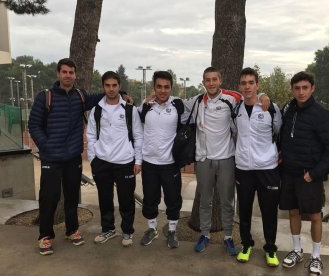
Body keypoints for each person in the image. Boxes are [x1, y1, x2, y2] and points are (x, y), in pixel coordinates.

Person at [28, 58, 105, 255]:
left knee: (72, 197)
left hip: (72, 157)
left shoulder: (80, 96)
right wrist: (46, 146)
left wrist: (121, 93)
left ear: (75, 75)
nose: (68, 76)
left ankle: (72, 230)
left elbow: (99, 97)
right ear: (58, 74)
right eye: (64, 72)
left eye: (71, 72)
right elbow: (34, 125)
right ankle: (45, 236)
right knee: (49, 197)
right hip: (51, 158)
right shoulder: (45, 97)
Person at [279, 71, 329, 276]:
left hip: (309, 175)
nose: (301, 92)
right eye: (297, 88)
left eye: (305, 88)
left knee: (315, 216)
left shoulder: (322, 114)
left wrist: (314, 173)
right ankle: (297, 250)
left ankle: (316, 256)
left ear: (312, 88)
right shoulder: (289, 109)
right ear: (292, 89)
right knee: (293, 212)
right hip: (289, 172)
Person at [184, 67, 242, 255]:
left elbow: (251, 97)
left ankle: (228, 237)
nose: (211, 83)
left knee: (227, 202)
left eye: (214, 79)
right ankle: (205, 234)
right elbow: (174, 102)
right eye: (207, 80)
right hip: (204, 159)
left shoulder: (231, 99)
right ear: (203, 82)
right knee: (205, 201)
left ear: (220, 81)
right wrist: (150, 97)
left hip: (226, 158)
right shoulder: (197, 101)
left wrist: (264, 95)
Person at [86, 71, 143, 247]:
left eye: (114, 85)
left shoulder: (130, 110)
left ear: (119, 86)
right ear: (103, 87)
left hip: (125, 162)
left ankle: (127, 232)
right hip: (101, 162)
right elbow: (90, 135)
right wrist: (93, 158)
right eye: (107, 85)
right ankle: (108, 230)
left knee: (126, 200)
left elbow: (138, 136)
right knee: (105, 199)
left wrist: (138, 160)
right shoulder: (96, 110)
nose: (111, 89)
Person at [234, 67, 282, 266]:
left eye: (251, 83)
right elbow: (233, 133)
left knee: (269, 211)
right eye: (243, 83)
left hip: (267, 168)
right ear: (240, 86)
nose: (247, 87)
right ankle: (246, 245)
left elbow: (278, 130)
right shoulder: (235, 109)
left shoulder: (270, 108)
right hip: (243, 168)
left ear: (257, 85)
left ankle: (270, 249)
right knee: (244, 210)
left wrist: (265, 97)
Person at [138, 71, 184, 249]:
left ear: (171, 88)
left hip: (170, 163)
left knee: (173, 199)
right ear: (154, 87)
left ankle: (172, 230)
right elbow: (135, 125)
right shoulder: (145, 106)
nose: (163, 90)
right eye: (159, 86)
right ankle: (151, 229)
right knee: (150, 199)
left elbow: (204, 100)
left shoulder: (178, 105)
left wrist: (262, 95)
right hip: (149, 163)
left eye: (166, 87)